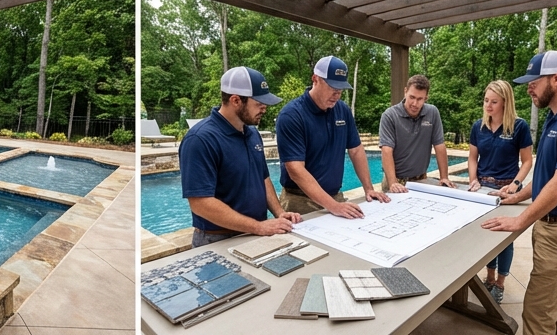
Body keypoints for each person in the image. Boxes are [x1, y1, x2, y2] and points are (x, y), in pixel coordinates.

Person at [482, 51, 557, 335]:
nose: (528, 87)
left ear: (556, 79)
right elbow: (547, 177)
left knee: (538, 314)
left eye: (534, 82)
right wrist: (517, 195)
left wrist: (520, 220)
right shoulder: (556, 117)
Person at [179, 65, 301, 246]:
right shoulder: (200, 140)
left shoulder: (251, 133)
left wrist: (279, 213)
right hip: (217, 239)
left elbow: (263, 177)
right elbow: (200, 203)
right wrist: (258, 227)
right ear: (236, 100)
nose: (264, 109)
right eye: (259, 104)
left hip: (254, 232)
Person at [275, 55, 389, 218]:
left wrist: (369, 188)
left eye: (341, 88)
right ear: (315, 79)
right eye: (332, 86)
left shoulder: (342, 110)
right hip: (298, 201)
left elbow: (356, 150)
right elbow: (295, 170)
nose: (337, 93)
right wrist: (334, 206)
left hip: (335, 197)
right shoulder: (292, 115)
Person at [468, 79, 534, 303]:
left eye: (494, 102)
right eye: (486, 100)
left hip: (507, 189)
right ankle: (489, 277)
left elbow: (526, 162)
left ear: (505, 103)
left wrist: (516, 184)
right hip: (483, 189)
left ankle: (500, 284)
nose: (488, 105)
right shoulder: (478, 126)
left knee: (505, 238)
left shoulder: (519, 126)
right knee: (487, 233)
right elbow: (472, 157)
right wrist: (472, 180)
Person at [379, 74, 455, 192]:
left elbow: (439, 145)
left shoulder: (432, 113)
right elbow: (386, 151)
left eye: (420, 99)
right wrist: (393, 183)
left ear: (426, 98)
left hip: (421, 180)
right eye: (412, 97)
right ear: (405, 91)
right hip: (395, 180)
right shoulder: (389, 116)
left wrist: (444, 177)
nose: (415, 103)